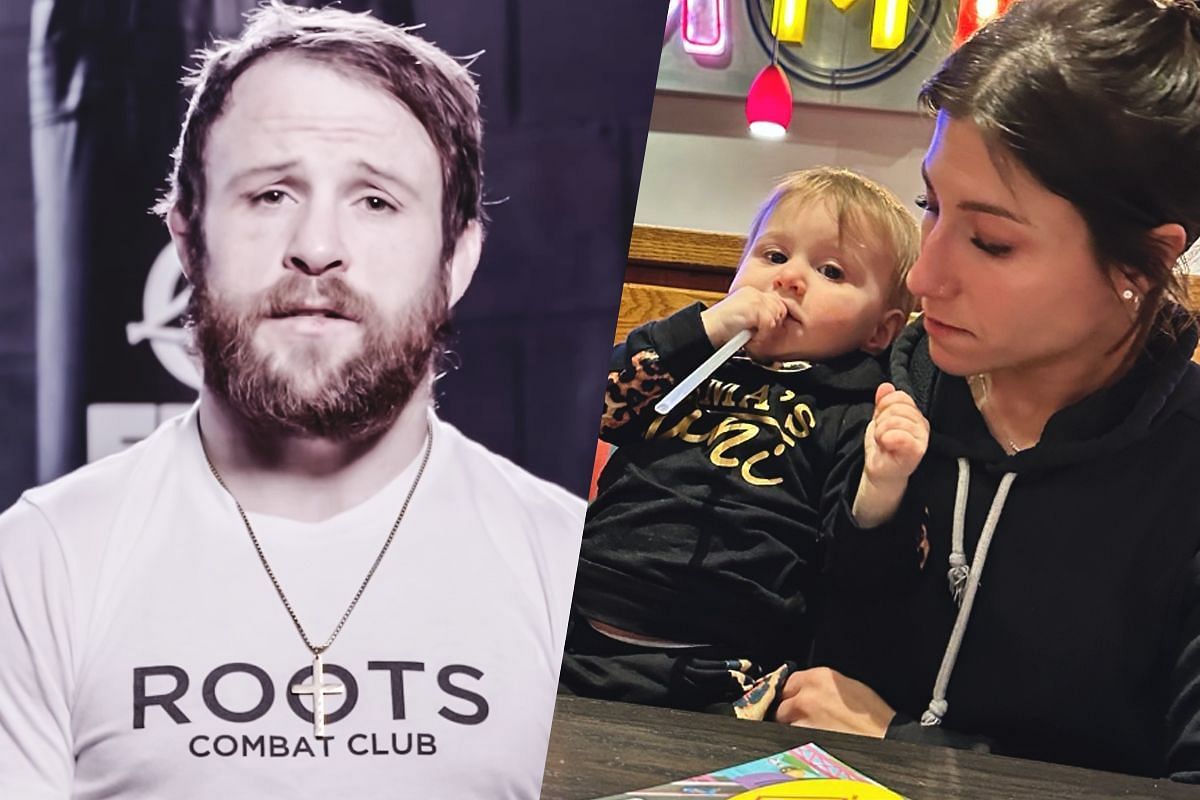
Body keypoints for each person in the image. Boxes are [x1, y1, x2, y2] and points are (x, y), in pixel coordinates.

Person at [0, 4, 584, 798]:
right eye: (271, 194)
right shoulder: (38, 561)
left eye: (375, 200)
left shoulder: (566, 560)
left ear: (458, 258)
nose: (316, 246)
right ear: (187, 238)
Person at [773, 0, 1200, 782]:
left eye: (991, 241)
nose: (923, 275)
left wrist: (902, 748)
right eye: (929, 204)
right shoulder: (866, 389)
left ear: (1141, 264)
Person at [561, 168, 919, 716]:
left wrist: (883, 482)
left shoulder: (854, 410)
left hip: (730, 669)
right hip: (572, 624)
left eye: (830, 270)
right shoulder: (686, 360)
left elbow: (859, 572)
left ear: (880, 331)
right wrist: (704, 329)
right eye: (774, 257)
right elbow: (600, 409)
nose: (790, 279)